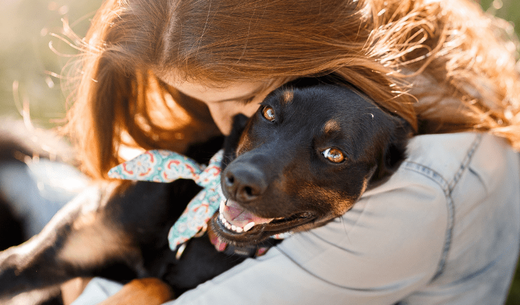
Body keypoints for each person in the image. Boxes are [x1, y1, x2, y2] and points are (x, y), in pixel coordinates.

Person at [57, 0, 520, 304]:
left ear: (314, 60)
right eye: (201, 99)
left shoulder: (412, 193)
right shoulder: (369, 52)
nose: (227, 127)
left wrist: (83, 277)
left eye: (250, 99)